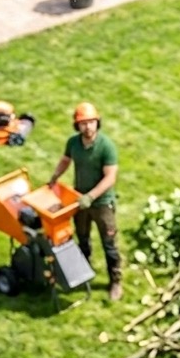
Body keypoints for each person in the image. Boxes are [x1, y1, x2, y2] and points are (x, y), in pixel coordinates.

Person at [48, 101, 123, 299]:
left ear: (98, 123)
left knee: (109, 244)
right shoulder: (73, 143)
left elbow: (110, 178)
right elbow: (66, 160)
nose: (88, 127)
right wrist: (55, 176)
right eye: (83, 123)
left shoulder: (106, 146)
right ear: (77, 126)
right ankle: (84, 271)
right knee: (82, 239)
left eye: (91, 122)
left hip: (101, 204)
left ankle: (115, 281)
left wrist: (91, 196)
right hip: (79, 201)